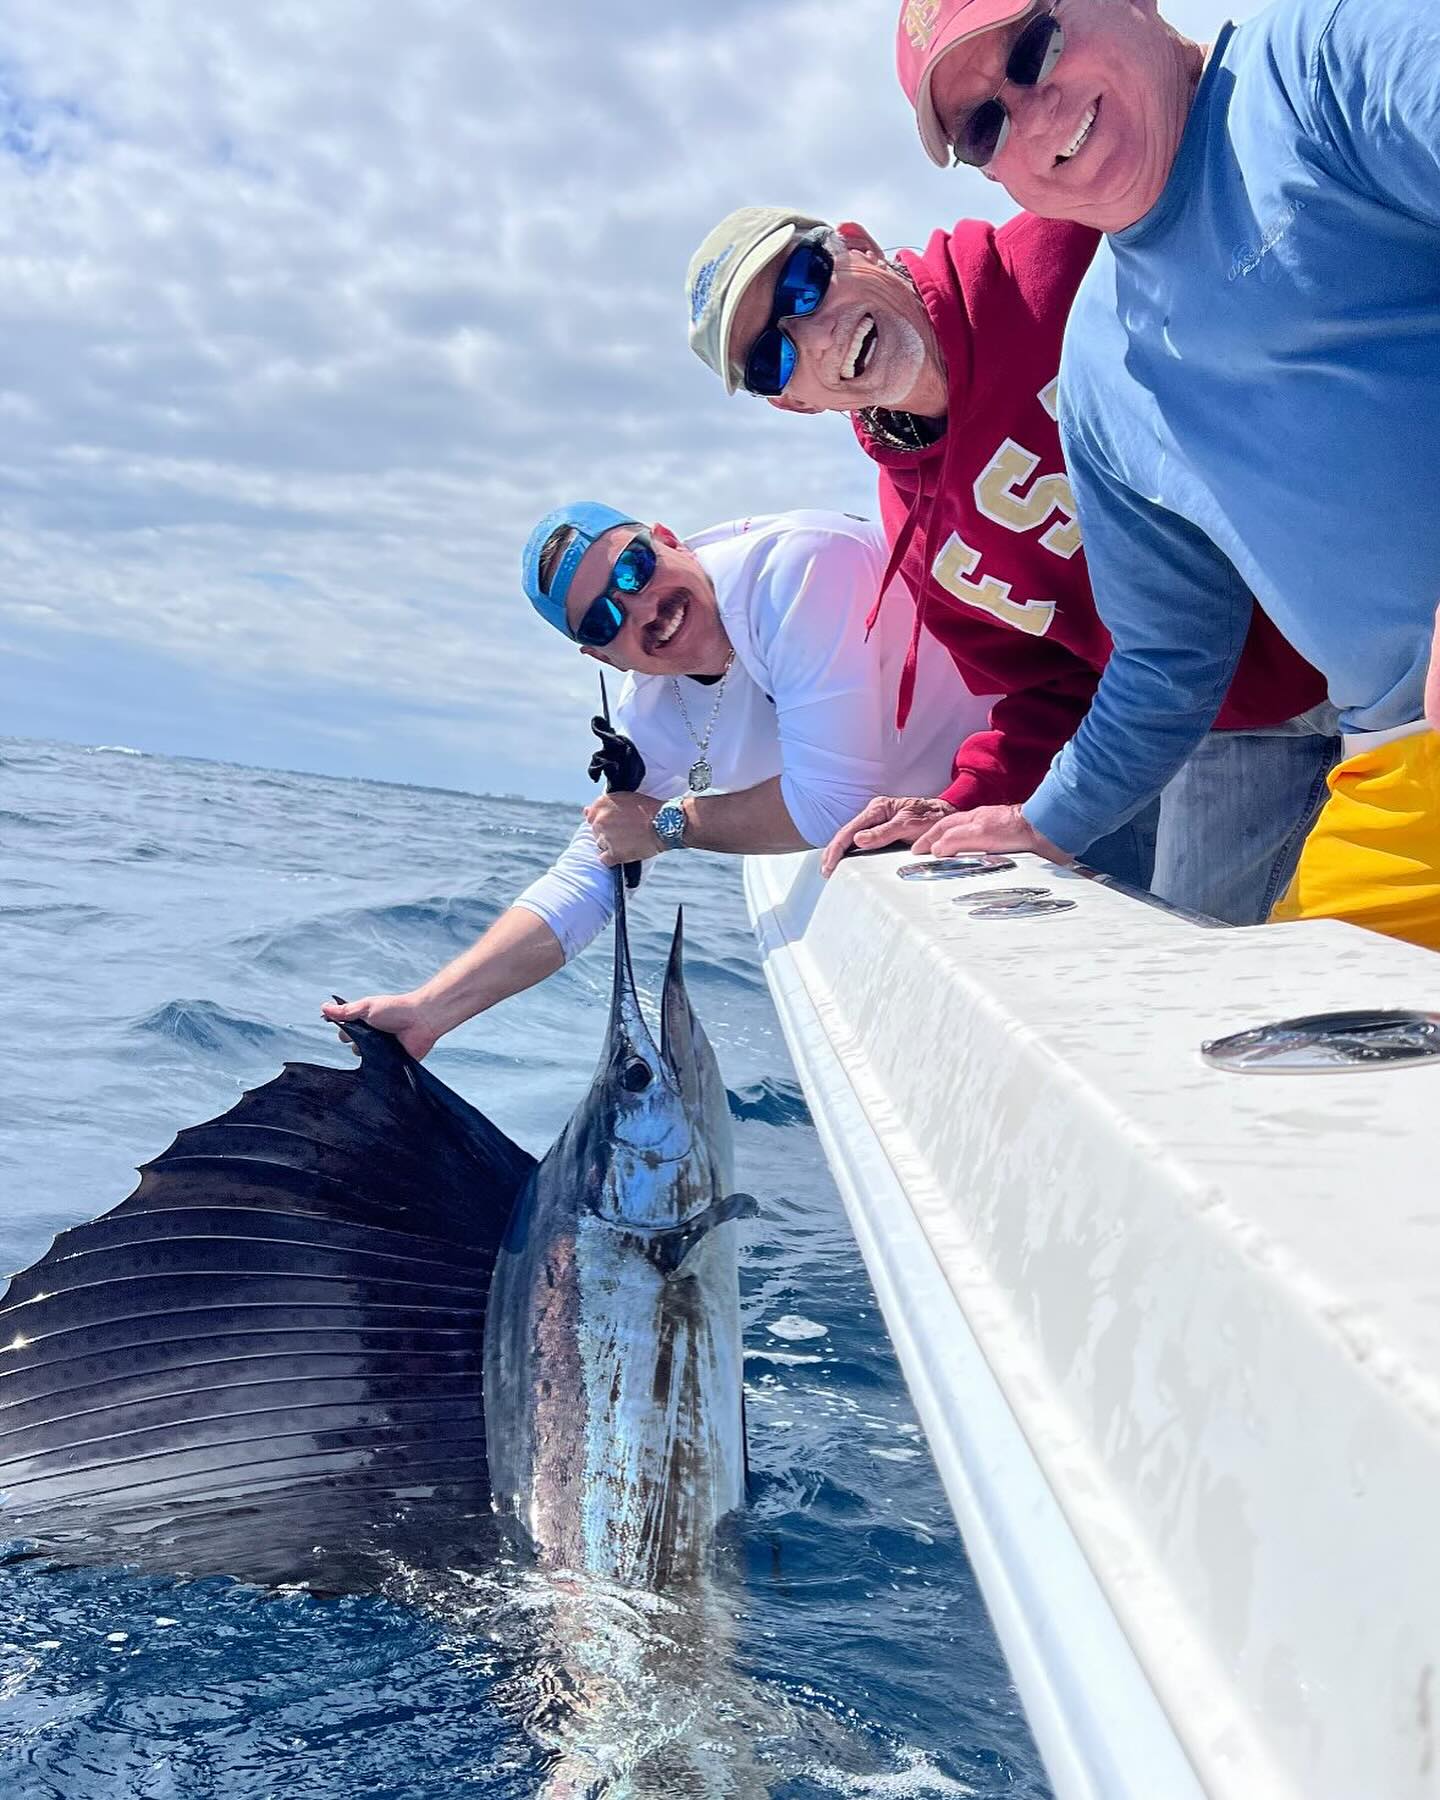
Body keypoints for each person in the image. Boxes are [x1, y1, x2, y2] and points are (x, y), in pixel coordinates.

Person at [895, 0, 1440, 948]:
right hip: (1402, 765)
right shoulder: (1099, 368)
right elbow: (1167, 661)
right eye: (984, 124)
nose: (1031, 113)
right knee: (1278, 1075)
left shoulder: (1325, 56)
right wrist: (1042, 822)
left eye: (1033, 46)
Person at [686, 203, 1338, 923]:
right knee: (1193, 967)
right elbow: (1053, 687)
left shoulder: (1072, 245)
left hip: (1379, 617)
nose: (811, 335)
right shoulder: (916, 527)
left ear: (858, 245)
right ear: (796, 404)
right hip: (1238, 725)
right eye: (773, 359)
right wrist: (961, 802)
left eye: (804, 285)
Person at [322, 503, 988, 1056]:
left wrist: (669, 825)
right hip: (966, 821)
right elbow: (589, 876)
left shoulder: (797, 568)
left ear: (666, 538)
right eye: (606, 620)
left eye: (633, 568)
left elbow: (833, 805)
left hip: (1054, 753)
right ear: (598, 655)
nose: (642, 610)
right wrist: (431, 1011)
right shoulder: (654, 713)